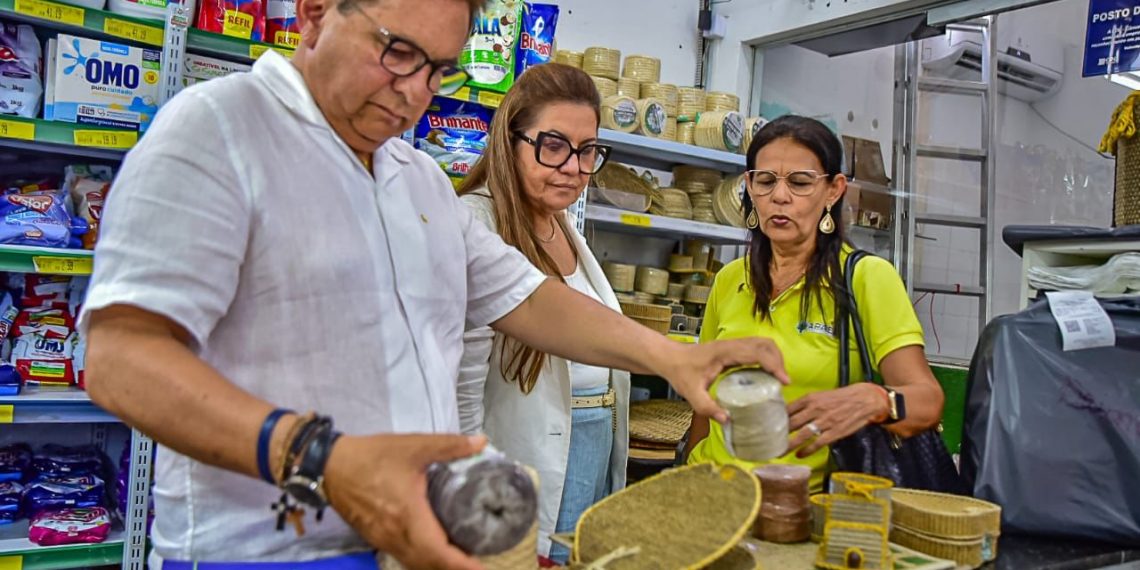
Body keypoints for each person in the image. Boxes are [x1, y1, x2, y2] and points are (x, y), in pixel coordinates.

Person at [77, 0, 790, 568]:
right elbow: (120, 356)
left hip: (413, 539)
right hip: (264, 550)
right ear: (316, 11)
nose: (416, 91)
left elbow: (527, 297)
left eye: (439, 69)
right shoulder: (218, 130)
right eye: (398, 52)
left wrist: (673, 358)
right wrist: (318, 456)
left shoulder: (412, 176)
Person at [686, 115, 945, 492]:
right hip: (711, 495)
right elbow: (703, 403)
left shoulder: (865, 278)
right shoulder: (730, 280)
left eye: (800, 183)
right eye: (766, 180)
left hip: (803, 507)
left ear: (834, 191)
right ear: (749, 186)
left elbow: (928, 401)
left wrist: (877, 401)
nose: (780, 196)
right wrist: (687, 480)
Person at [455, 63, 626, 563]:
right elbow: (461, 388)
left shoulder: (558, 224)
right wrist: (472, 489)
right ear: (511, 141)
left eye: (588, 150)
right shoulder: (476, 220)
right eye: (553, 145)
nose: (573, 166)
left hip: (588, 452)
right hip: (521, 462)